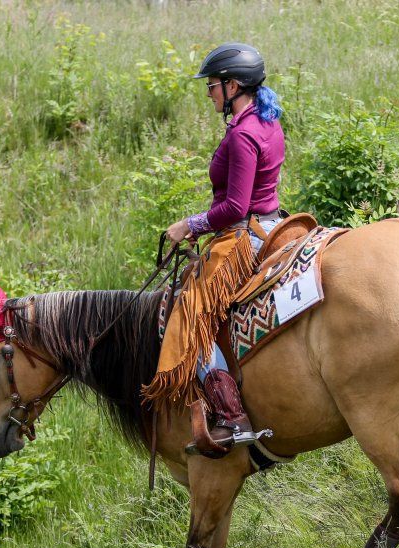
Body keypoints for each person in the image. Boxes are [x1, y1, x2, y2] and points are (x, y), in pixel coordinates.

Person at [142, 42, 285, 454]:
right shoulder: (267, 120)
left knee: (189, 313)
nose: (209, 92)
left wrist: (191, 224)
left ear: (233, 85)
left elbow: (236, 206)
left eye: (212, 85)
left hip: (244, 235)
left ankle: (230, 415)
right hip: (273, 221)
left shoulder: (242, 135)